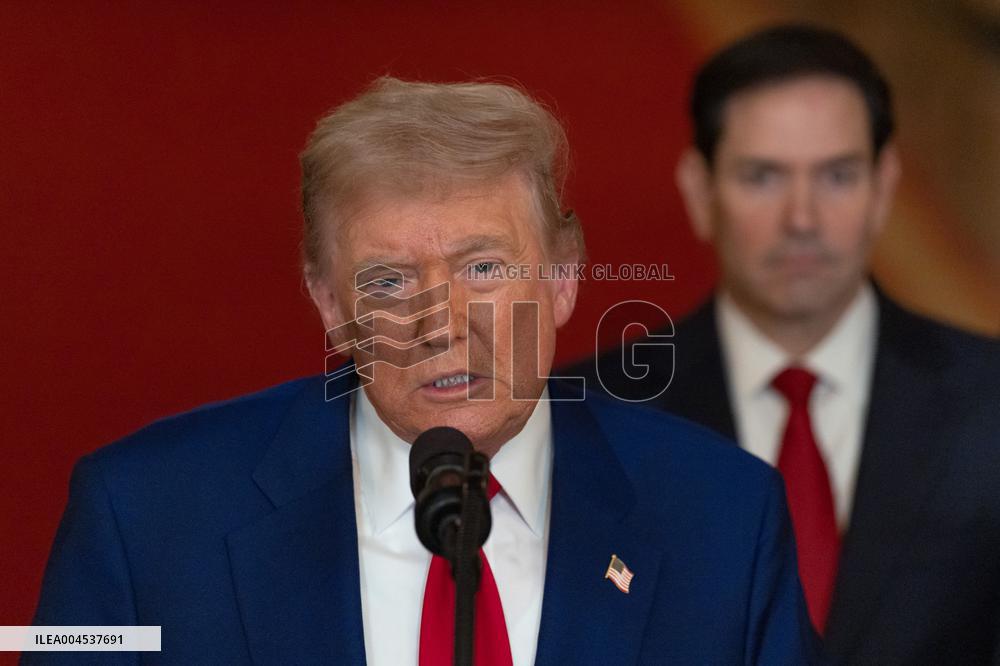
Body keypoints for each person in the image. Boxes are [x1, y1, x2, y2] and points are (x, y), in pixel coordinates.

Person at [27, 77, 818, 664]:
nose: (441, 324)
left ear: (566, 276)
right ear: (330, 305)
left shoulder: (723, 517)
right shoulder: (141, 518)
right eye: (388, 281)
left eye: (483, 268)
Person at [566, 24, 1000, 665]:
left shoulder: (988, 400)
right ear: (699, 190)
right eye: (763, 177)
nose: (802, 219)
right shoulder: (596, 418)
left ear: (884, 188)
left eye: (837, 176)